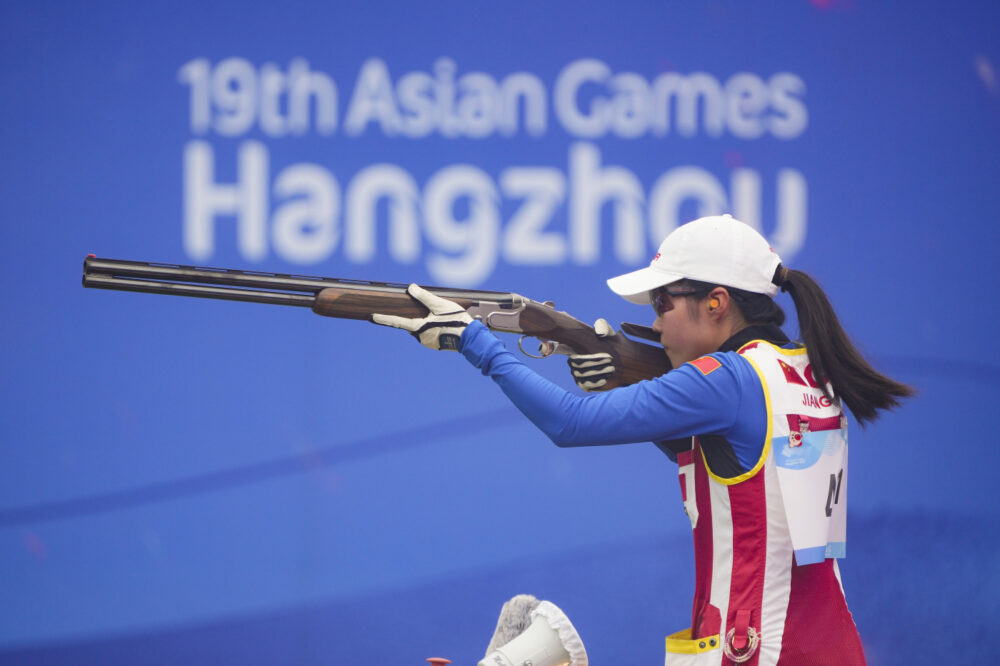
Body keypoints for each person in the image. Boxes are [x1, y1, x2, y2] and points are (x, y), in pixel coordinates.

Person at [373, 214, 913, 665]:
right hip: (831, 644)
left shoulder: (728, 379)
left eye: (662, 305)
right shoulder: (807, 372)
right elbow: (735, 475)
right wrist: (623, 379)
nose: (654, 327)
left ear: (717, 302)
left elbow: (570, 424)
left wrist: (476, 343)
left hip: (754, 649)